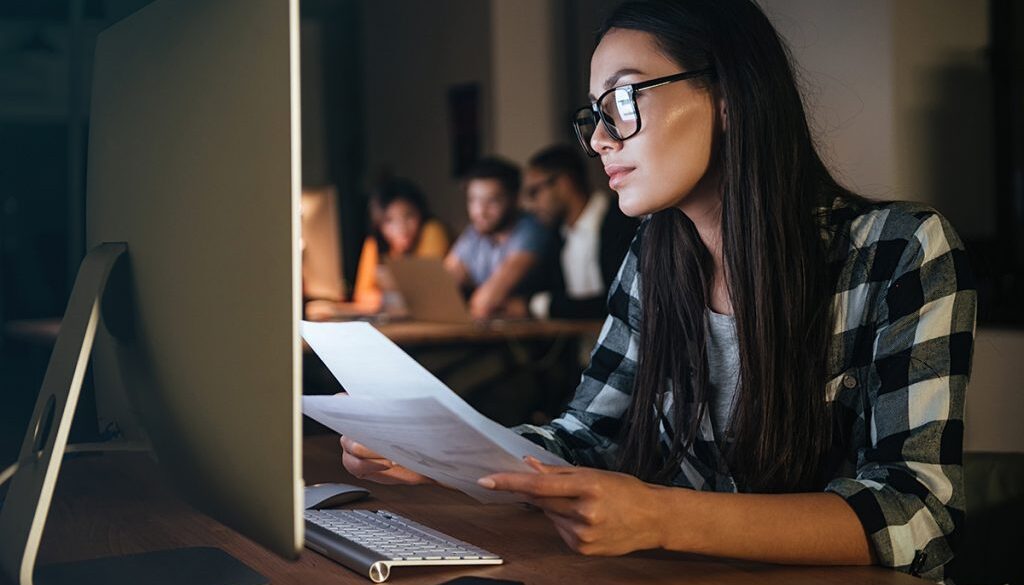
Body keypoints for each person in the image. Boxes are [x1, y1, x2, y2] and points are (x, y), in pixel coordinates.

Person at [338, 1, 976, 582]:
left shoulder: (899, 249)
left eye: (623, 99)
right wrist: (438, 453)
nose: (597, 139)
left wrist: (663, 516)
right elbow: (590, 437)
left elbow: (913, 506)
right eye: (594, 115)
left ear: (729, 95)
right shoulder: (655, 255)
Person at [522, 144, 637, 320]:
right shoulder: (557, 235)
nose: (530, 205)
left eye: (534, 192)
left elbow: (621, 301)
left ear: (563, 183)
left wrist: (544, 305)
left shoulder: (621, 222)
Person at [444, 157, 550, 318]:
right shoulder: (475, 232)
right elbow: (440, 287)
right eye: (473, 200)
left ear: (514, 199)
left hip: (532, 338)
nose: (481, 211)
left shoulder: (531, 230)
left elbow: (485, 304)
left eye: (492, 201)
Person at [351, 178, 450, 312]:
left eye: (408, 216)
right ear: (378, 225)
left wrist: (386, 296)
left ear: (421, 213)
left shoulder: (431, 231)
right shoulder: (375, 243)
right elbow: (362, 294)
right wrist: (388, 299)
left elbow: (424, 290)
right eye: (389, 221)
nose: (401, 228)